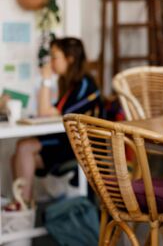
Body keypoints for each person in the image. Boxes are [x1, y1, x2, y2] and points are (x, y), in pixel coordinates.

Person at [10, 37, 102, 205]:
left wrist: (45, 80)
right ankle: (23, 204)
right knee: (17, 156)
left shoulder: (85, 85)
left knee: (24, 147)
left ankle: (23, 207)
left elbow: (46, 113)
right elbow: (50, 112)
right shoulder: (68, 83)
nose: (51, 62)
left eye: (54, 57)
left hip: (79, 146)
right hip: (65, 140)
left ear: (70, 59)